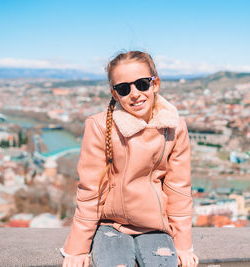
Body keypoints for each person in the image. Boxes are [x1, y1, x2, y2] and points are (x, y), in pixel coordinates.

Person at [61, 50, 199, 267]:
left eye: (142, 83)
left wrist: (183, 245)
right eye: (124, 88)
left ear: (156, 84)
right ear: (115, 94)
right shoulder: (99, 126)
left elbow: (178, 188)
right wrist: (77, 249)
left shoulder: (174, 127)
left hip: (156, 224)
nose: (134, 93)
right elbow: (91, 190)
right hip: (110, 224)